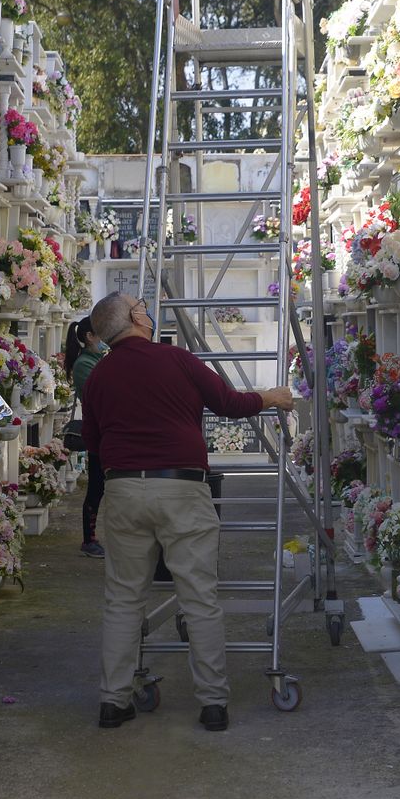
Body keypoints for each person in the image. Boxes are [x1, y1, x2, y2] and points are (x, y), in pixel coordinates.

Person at [81, 291, 293, 734]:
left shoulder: (98, 376)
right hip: (180, 486)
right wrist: (272, 397)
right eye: (141, 306)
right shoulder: (175, 359)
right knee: (199, 597)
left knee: (123, 600)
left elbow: (94, 444)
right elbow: (228, 405)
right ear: (136, 318)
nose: (147, 310)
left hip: (123, 489)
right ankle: (213, 704)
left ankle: (112, 701)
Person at [63, 316, 107, 558]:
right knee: (96, 487)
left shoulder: (98, 359)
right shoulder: (84, 364)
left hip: (107, 431)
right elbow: (98, 394)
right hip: (99, 432)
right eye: (101, 332)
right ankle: (89, 539)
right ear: (90, 336)